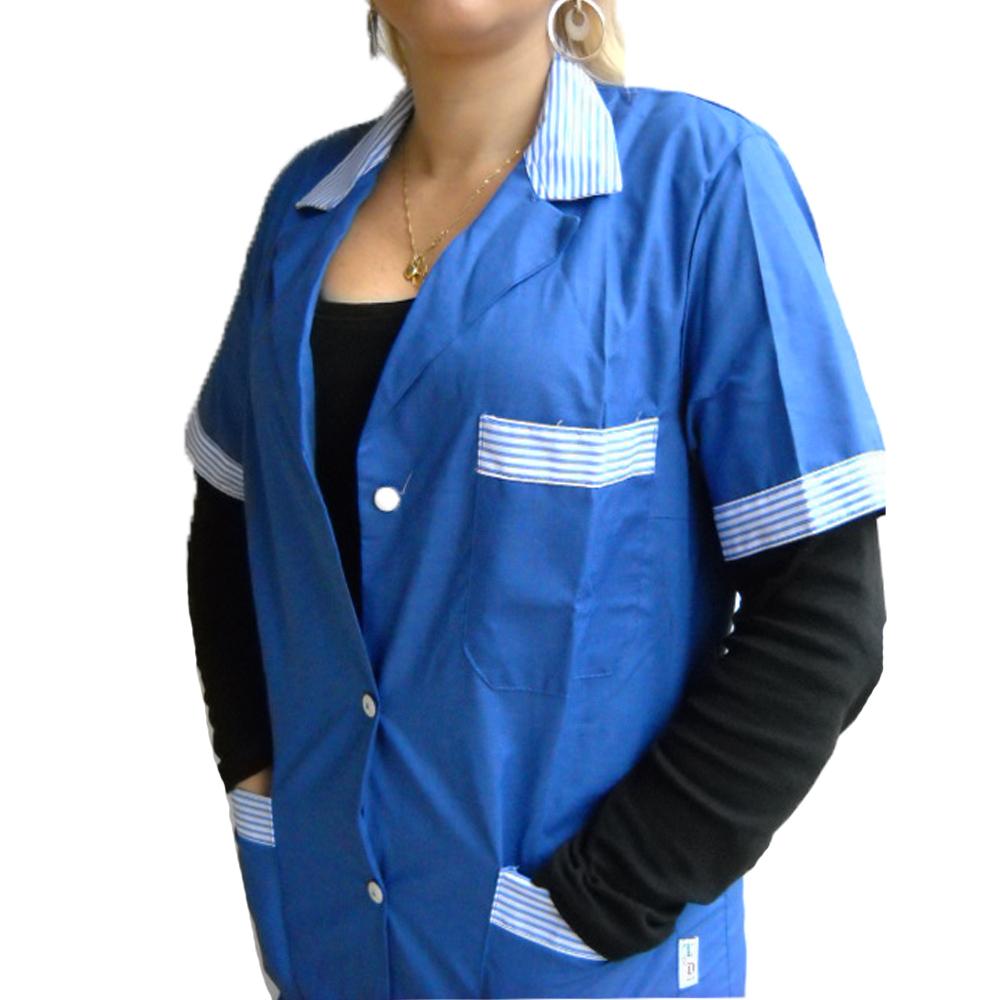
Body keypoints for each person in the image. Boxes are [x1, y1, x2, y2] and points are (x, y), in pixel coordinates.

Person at [184, 2, 887, 997]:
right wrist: (260, 782)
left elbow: (822, 611)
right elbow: (236, 523)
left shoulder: (702, 184)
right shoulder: (304, 210)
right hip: (335, 939)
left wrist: (602, 897)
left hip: (585, 964)